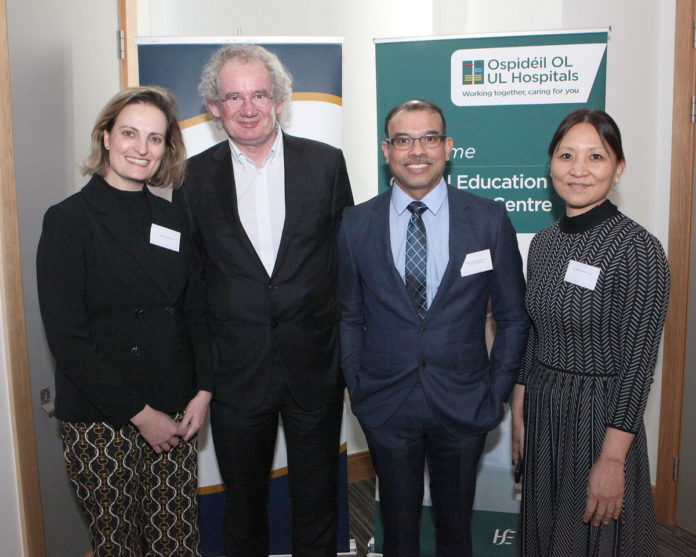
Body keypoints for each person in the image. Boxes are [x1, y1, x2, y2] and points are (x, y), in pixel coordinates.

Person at [173, 44, 353, 557]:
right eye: (233, 96)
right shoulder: (192, 179)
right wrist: (200, 378)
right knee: (244, 507)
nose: (247, 107)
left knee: (318, 501)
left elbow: (347, 267)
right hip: (235, 375)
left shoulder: (325, 164)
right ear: (213, 106)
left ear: (277, 100)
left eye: (258, 95)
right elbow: (191, 287)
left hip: (314, 368)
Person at [338, 99, 529, 557]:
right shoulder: (355, 223)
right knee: (398, 533)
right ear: (387, 150)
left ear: (448, 147)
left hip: (464, 404)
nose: (416, 150)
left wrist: (496, 391)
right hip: (385, 404)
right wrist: (358, 388)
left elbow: (512, 315)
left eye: (428, 138)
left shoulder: (488, 218)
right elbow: (348, 315)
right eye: (404, 140)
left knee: (455, 530)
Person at [36, 86, 213, 556]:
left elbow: (195, 310)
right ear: (106, 137)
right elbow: (67, 338)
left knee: (177, 541)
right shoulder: (68, 221)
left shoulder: (172, 218)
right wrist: (140, 416)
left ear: (166, 149)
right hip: (102, 418)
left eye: (155, 139)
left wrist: (204, 390)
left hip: (174, 408)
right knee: (117, 547)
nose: (142, 148)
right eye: (131, 133)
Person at [511, 109, 670, 556]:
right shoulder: (543, 243)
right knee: (546, 535)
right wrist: (520, 405)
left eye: (595, 157)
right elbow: (536, 331)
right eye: (566, 155)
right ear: (551, 164)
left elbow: (638, 368)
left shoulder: (638, 250)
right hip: (544, 411)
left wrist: (613, 459)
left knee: (594, 539)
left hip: (599, 419)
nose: (578, 169)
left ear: (618, 168)